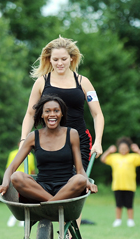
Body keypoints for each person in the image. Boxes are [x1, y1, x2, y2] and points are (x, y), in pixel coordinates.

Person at [0, 95, 98, 239]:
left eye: (56, 111)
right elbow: (11, 167)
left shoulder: (71, 134)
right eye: (47, 111)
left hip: (66, 187)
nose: (52, 114)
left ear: (62, 114)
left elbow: (80, 170)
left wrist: (87, 182)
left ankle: (46, 207)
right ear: (41, 115)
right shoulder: (33, 137)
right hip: (41, 189)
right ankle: (53, 204)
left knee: (78, 179)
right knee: (17, 176)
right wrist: (5, 184)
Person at [20, 36, 104, 170]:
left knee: (77, 183)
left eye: (64, 59)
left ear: (71, 58)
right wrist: (23, 139)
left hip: (78, 141)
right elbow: (30, 114)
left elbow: (97, 114)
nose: (60, 63)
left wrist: (98, 141)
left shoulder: (84, 82)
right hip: (49, 142)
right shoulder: (41, 82)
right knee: (52, 181)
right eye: (55, 59)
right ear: (49, 59)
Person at [101, 137, 140, 227]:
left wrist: (137, 150)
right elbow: (103, 159)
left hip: (129, 186)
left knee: (129, 205)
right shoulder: (114, 157)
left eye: (125, 148)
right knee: (118, 205)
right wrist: (109, 151)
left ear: (129, 149)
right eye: (121, 148)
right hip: (117, 185)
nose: (123, 150)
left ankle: (130, 221)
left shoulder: (133, 157)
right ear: (118, 148)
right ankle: (118, 220)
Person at [6, 144, 36, 227]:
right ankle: (14, 216)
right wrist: (7, 180)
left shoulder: (31, 156)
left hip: (27, 181)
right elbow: (9, 167)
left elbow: (32, 169)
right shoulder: (13, 154)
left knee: (26, 198)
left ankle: (25, 217)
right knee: (16, 200)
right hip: (15, 180)